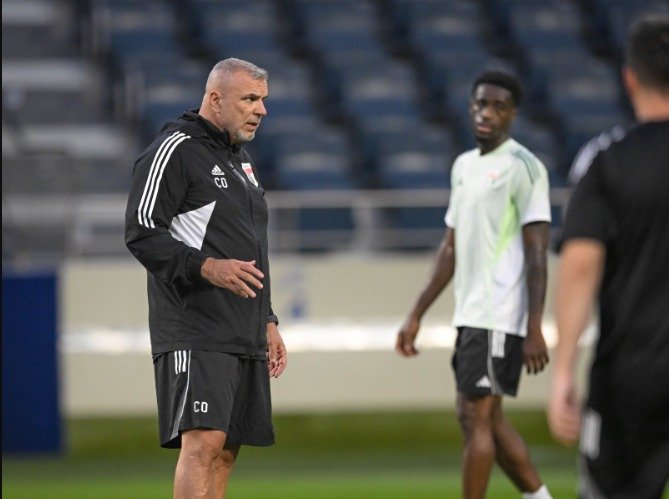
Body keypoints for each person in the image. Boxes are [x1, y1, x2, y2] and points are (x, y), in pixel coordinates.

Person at [125, 58, 287, 498]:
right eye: (249, 99)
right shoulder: (175, 149)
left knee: (226, 451)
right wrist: (207, 267)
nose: (261, 110)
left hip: (242, 329)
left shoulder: (241, 162)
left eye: (263, 100)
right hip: (195, 326)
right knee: (203, 445)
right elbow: (142, 231)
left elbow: (252, 249)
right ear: (215, 99)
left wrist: (267, 320)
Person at [396, 70, 553, 499]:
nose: (487, 113)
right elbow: (450, 247)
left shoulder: (524, 167)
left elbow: (537, 252)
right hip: (472, 313)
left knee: (473, 416)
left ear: (512, 114)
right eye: (482, 103)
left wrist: (535, 326)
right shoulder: (464, 166)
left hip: (500, 313)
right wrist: (416, 313)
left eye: (498, 106)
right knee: (489, 419)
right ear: (471, 106)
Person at [548, 15, 669, 499]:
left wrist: (563, 369)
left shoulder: (605, 161)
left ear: (630, 78)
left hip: (629, 380)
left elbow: (580, 268)